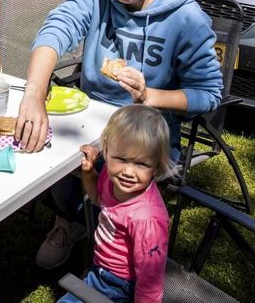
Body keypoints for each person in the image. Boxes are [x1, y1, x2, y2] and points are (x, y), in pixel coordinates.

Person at [15, 0, 222, 269]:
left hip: (147, 132)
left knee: (95, 164)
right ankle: (69, 222)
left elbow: (209, 93)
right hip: (89, 118)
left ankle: (111, 246)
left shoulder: (186, 17)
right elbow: (57, 28)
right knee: (48, 145)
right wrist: (35, 92)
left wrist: (149, 96)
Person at [59, 105, 171, 303]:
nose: (128, 171)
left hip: (119, 283)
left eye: (141, 164)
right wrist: (89, 173)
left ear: (156, 167)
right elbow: (97, 198)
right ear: (107, 152)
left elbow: (150, 278)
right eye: (121, 159)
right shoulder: (111, 179)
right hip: (101, 267)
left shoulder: (147, 219)